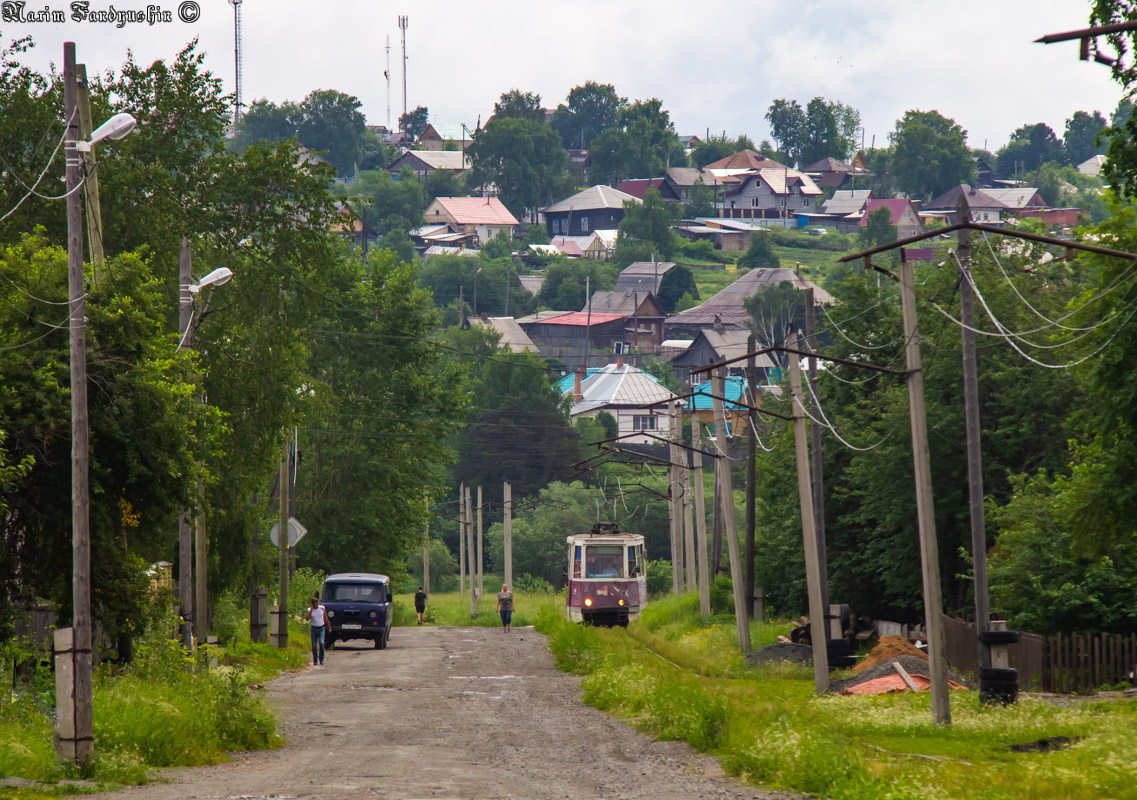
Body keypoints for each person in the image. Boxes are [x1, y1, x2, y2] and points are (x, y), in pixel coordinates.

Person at [305, 594, 329, 667]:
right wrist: (311, 610)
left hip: (321, 627)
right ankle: (315, 660)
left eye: (316, 602)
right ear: (312, 604)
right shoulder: (309, 610)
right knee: (314, 645)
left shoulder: (322, 608)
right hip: (314, 628)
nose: (315, 604)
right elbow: (307, 619)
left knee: (321, 643)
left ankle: (321, 659)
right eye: (314, 603)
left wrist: (329, 626)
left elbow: (326, 618)